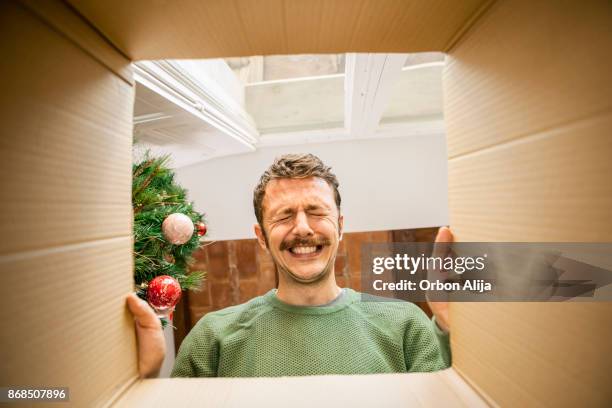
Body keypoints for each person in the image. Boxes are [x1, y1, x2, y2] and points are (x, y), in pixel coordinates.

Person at [127, 153, 453, 378]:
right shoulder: (213, 339)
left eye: (316, 212)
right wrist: (147, 382)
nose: (302, 228)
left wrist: (451, 329)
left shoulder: (405, 325)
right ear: (261, 236)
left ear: (340, 226)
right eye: (284, 215)